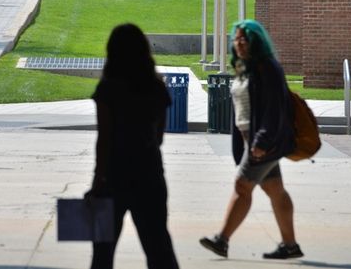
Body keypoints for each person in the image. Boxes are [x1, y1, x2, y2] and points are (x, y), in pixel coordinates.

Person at [200, 19, 302, 261]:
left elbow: (274, 108)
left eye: (245, 40)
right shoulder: (246, 67)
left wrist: (261, 142)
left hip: (263, 142)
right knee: (276, 190)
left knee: (242, 186)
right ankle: (290, 245)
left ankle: (222, 240)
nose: (240, 44)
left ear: (256, 41)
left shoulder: (267, 68)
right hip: (253, 141)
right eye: (237, 40)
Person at [87, 23, 180, 269]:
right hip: (149, 174)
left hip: (113, 176)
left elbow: (104, 139)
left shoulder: (108, 88)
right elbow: (159, 137)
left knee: (102, 254)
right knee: (159, 249)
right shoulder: (156, 87)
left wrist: (97, 181)